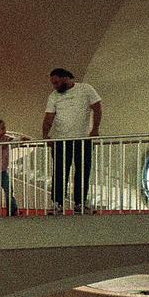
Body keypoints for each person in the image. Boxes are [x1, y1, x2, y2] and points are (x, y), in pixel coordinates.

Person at [42, 68, 101, 214]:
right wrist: (45, 136)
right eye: (53, 83)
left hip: (83, 139)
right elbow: (48, 117)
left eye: (56, 82)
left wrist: (95, 129)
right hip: (60, 140)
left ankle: (80, 203)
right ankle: (57, 203)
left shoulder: (86, 89)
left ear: (65, 78)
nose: (55, 86)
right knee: (59, 172)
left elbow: (97, 108)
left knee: (82, 171)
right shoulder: (53, 96)